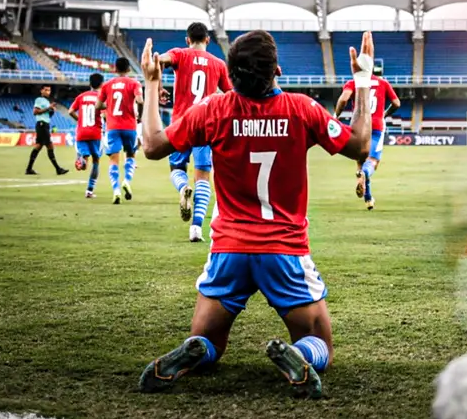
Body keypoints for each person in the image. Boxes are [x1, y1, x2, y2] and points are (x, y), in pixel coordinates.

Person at [136, 30, 373, 399]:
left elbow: (151, 145)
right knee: (320, 344)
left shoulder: (213, 110)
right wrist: (362, 81)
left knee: (207, 341)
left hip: (228, 252)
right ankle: (297, 354)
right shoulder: (301, 108)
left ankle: (197, 350)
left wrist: (152, 84)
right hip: (285, 252)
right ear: (277, 69)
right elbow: (360, 143)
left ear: (229, 75)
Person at [156, 22, 232, 242]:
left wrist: (160, 86)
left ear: (187, 40)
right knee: (203, 177)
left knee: (176, 168)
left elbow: (159, 60)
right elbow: (230, 94)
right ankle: (196, 229)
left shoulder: (180, 54)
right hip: (206, 124)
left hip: (181, 122)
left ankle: (182, 187)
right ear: (208, 40)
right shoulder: (218, 64)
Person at [333, 60, 399, 210]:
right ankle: (364, 175)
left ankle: (368, 198)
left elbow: (343, 99)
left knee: (361, 160)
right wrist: (384, 114)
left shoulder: (352, 82)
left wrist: (335, 116)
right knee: (373, 161)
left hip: (358, 125)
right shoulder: (383, 83)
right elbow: (396, 103)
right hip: (376, 126)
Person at [97, 57, 143, 205]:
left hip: (113, 127)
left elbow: (98, 106)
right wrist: (140, 116)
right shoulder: (134, 83)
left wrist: (109, 105)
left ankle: (116, 190)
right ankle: (127, 181)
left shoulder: (107, 85)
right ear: (129, 69)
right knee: (130, 155)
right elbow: (140, 101)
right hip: (129, 126)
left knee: (113, 159)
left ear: (115, 69)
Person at [69, 73, 105, 198]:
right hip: (95, 132)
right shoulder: (101, 98)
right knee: (96, 161)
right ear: (102, 84)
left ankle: (82, 158)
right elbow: (105, 115)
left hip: (82, 131)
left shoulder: (81, 96)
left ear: (90, 84)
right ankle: (89, 191)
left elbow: (70, 111)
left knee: (85, 156)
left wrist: (79, 119)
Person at [25, 85, 68, 176]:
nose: (48, 92)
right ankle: (58, 169)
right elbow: (35, 112)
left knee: (38, 146)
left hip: (44, 124)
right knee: (50, 146)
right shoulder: (39, 100)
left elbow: (47, 115)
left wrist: (52, 110)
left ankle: (29, 169)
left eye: (49, 90)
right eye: (46, 90)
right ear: (41, 91)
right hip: (42, 124)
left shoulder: (47, 102)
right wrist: (49, 108)